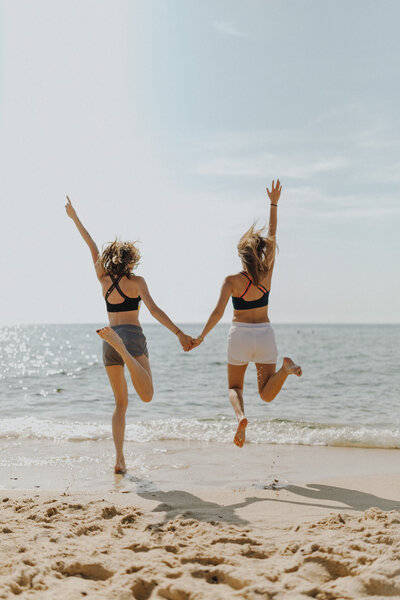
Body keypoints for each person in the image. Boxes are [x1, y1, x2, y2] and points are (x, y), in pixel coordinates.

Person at [65, 197, 194, 473]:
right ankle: (123, 350)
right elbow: (155, 311)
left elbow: (90, 244)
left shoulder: (103, 280)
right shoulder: (137, 282)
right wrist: (179, 333)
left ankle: (119, 459)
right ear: (131, 260)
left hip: (108, 337)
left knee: (120, 404)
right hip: (130, 338)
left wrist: (74, 217)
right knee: (146, 395)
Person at [191, 180, 302, 448]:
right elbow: (273, 234)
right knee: (265, 394)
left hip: (240, 336)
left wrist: (201, 336)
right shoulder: (267, 274)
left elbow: (217, 313)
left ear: (241, 258)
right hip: (264, 335)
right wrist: (273, 204)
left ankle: (241, 417)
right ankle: (285, 371)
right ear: (260, 254)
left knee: (235, 389)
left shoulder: (231, 281)